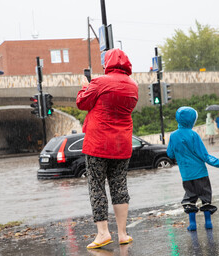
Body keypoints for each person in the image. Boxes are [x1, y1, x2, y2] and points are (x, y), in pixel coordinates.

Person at [76, 49, 138, 249]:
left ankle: (103, 233)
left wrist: (84, 87)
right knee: (119, 185)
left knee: (96, 186)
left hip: (98, 144)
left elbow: (82, 103)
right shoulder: (133, 86)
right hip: (122, 143)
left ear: (108, 63)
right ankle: (122, 233)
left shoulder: (99, 82)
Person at [167, 107, 219, 231]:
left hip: (186, 175)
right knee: (205, 197)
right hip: (201, 173)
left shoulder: (173, 136)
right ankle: (208, 222)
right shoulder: (193, 135)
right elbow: (204, 155)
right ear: (192, 121)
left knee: (190, 198)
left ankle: (192, 224)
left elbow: (170, 154)